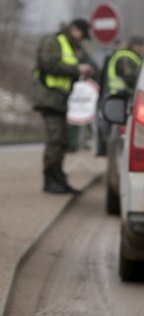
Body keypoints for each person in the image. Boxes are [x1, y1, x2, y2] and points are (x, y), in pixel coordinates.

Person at [33, 18, 94, 194]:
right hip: (49, 98)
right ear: (74, 29)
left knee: (62, 141)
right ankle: (50, 180)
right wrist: (77, 69)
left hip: (59, 100)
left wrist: (80, 71)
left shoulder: (70, 45)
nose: (81, 40)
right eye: (82, 35)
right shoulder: (53, 41)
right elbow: (49, 64)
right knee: (55, 140)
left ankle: (59, 179)